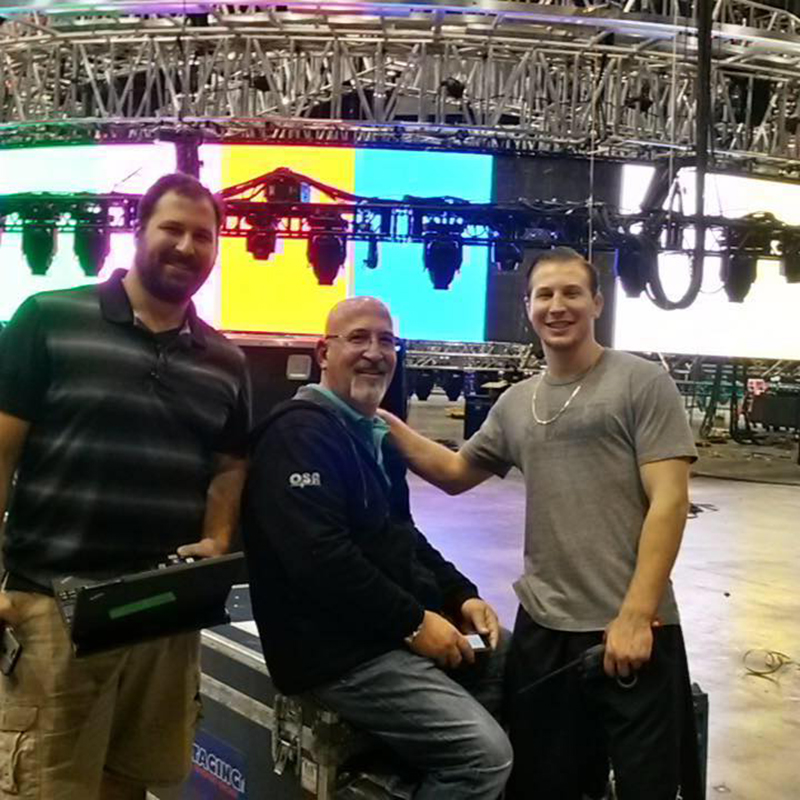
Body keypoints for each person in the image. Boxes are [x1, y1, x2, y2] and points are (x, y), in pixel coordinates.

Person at [380, 247, 703, 800]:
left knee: (648, 788)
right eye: (545, 295)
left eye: (572, 292)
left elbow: (669, 501)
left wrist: (634, 614)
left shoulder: (641, 383)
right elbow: (456, 472)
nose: (558, 306)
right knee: (543, 786)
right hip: (545, 633)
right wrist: (378, 421)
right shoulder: (516, 404)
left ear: (597, 302)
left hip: (632, 632)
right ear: (528, 307)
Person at [0, 173, 250, 800]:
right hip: (55, 609)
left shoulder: (225, 360)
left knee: (135, 784)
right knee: (43, 788)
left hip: (161, 614)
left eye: (203, 235)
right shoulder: (47, 318)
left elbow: (229, 463)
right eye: (172, 228)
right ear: (138, 231)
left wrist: (217, 537)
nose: (187, 246)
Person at [241, 297, 513, 800]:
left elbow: (402, 535)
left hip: (379, 634)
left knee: (517, 663)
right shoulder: (299, 435)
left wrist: (460, 597)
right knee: (482, 758)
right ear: (325, 352)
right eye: (358, 338)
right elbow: (320, 559)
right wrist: (413, 622)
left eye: (386, 340)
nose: (375, 352)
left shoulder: (373, 435)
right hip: (336, 654)